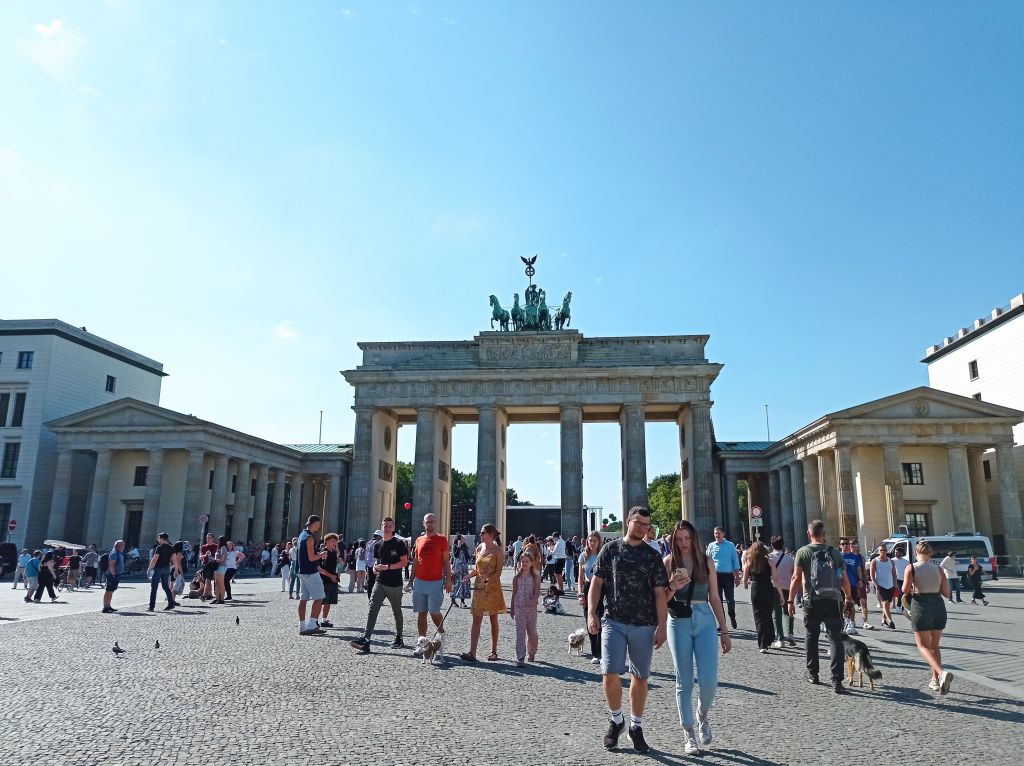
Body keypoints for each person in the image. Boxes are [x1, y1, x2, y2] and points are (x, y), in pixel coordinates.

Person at [588, 507, 669, 754]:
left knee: (640, 677)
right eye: (639, 523)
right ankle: (616, 719)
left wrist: (662, 626)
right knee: (609, 672)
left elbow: (659, 593)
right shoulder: (610, 549)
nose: (643, 528)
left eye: (647, 525)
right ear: (628, 522)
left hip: (644, 623)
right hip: (613, 620)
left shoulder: (652, 555)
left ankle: (635, 725)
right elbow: (597, 582)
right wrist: (592, 612)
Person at [664, 521, 732, 756]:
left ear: (693, 538)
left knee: (709, 680)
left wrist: (724, 629)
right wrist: (672, 586)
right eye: (679, 539)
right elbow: (661, 599)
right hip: (678, 620)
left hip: (704, 618)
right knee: (683, 681)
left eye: (687, 538)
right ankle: (688, 732)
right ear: (673, 541)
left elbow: (714, 596)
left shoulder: (707, 561)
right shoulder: (668, 562)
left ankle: (702, 713)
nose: (683, 543)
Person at [787, 520, 852, 694]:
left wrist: (790, 600)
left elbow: (795, 578)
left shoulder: (803, 552)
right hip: (833, 600)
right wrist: (849, 597)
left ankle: (813, 673)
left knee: (811, 636)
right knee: (835, 639)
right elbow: (844, 578)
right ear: (824, 534)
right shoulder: (835, 552)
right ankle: (837, 679)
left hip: (812, 601)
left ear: (809, 534)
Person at [351, 516, 409, 652]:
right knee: (372, 609)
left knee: (397, 611)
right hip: (380, 581)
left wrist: (387, 567)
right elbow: (376, 562)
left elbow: (404, 563)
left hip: (395, 584)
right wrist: (375, 568)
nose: (387, 528)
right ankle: (366, 640)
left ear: (393, 528)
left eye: (390, 526)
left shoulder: (399, 543)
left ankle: (399, 637)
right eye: (385, 526)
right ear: (381, 527)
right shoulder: (377, 544)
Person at [904, 540, 954, 693]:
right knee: (935, 646)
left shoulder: (911, 567)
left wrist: (914, 587)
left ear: (915, 553)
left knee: (923, 646)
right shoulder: (939, 569)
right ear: (930, 554)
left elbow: (905, 589)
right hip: (938, 606)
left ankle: (941, 673)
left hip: (921, 606)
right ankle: (935, 680)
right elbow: (947, 593)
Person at [407, 513, 452, 659]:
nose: (430, 523)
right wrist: (410, 580)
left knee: (434, 611)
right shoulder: (419, 540)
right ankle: (422, 644)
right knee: (421, 613)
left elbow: (446, 561)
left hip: (435, 581)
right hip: (419, 581)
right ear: (424, 523)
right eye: (428, 521)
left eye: (433, 521)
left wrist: (448, 580)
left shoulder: (442, 540)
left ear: (436, 523)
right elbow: (415, 561)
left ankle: (442, 633)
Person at [460, 524, 507, 662]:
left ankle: (494, 651)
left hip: (492, 589)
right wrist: (469, 576)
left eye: (483, 532)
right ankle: (472, 653)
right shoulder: (479, 548)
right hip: (479, 589)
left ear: (491, 535)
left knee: (493, 619)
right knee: (476, 619)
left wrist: (487, 581)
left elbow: (498, 573)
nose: (480, 534)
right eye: (480, 532)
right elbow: (477, 569)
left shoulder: (498, 551)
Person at [742, 538, 776, 653]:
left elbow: (745, 577)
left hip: (756, 588)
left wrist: (746, 584)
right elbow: (775, 578)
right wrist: (780, 593)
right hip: (768, 587)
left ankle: (762, 644)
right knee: (768, 614)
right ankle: (770, 638)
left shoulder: (750, 561)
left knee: (758, 616)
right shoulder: (770, 561)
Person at [296, 515, 328, 635]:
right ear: (314, 523)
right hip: (310, 571)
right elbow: (311, 557)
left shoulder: (301, 535)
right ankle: (312, 624)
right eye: (318, 524)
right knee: (319, 597)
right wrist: (322, 554)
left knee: (303, 599)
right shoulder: (309, 538)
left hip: (301, 571)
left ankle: (302, 626)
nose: (319, 526)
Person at [577, 531, 604, 664]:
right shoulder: (584, 556)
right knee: (589, 619)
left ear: (599, 541)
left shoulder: (602, 555)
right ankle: (595, 652)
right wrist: (580, 592)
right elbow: (580, 577)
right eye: (590, 540)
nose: (592, 543)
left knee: (601, 619)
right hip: (588, 587)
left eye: (594, 540)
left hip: (602, 588)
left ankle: (601, 652)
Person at [706, 527, 741, 630]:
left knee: (730, 599)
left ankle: (732, 615)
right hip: (715, 576)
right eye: (715, 533)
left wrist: (737, 576)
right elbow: (707, 559)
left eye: (718, 533)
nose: (717, 535)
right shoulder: (711, 546)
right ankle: (722, 623)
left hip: (728, 576)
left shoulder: (730, 546)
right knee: (718, 599)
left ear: (723, 534)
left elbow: (735, 561)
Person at [510, 550, 541, 666]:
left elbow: (537, 591)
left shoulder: (535, 577)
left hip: (531, 609)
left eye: (527, 561)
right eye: (522, 562)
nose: (524, 564)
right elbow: (514, 593)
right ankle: (520, 657)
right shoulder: (516, 578)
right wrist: (512, 608)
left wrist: (533, 601)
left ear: (531, 563)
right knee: (520, 633)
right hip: (519, 608)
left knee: (532, 632)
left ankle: (532, 652)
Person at [768, 536, 795, 648]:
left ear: (771, 545)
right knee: (788, 611)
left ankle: (780, 638)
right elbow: (793, 574)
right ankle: (790, 634)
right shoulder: (790, 558)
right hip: (788, 587)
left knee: (776, 612)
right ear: (783, 545)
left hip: (774, 587)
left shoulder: (769, 558)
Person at [839, 537, 870, 632]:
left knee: (851, 604)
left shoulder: (855, 556)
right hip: (841, 584)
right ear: (840, 546)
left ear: (849, 545)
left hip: (852, 583)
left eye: (847, 543)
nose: (845, 545)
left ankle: (851, 623)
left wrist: (860, 580)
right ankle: (845, 622)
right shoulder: (838, 556)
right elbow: (837, 570)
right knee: (844, 604)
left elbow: (858, 569)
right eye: (843, 544)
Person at [146, 533, 177, 612]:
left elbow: (155, 559)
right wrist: (176, 570)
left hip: (158, 568)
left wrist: (149, 568)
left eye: (159, 538)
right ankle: (171, 604)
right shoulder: (171, 548)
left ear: (163, 539)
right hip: (166, 568)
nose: (158, 540)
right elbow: (174, 560)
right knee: (166, 586)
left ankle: (151, 606)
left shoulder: (159, 547)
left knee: (154, 588)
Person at [869, 544, 898, 629]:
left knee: (887, 604)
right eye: (881, 550)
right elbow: (872, 574)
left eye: (885, 550)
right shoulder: (875, 561)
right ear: (878, 551)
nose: (883, 552)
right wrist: (875, 585)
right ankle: (891, 621)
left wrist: (895, 583)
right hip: (880, 586)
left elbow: (894, 573)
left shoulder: (891, 561)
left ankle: (883, 620)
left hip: (890, 585)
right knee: (885, 603)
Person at [317, 533, 340, 628]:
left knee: (329, 601)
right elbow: (319, 568)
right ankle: (315, 620)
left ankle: (324, 620)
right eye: (333, 541)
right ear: (326, 542)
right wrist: (330, 576)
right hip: (325, 579)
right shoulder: (324, 552)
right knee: (321, 601)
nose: (335, 543)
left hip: (332, 579)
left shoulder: (333, 552)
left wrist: (339, 562)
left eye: (336, 541)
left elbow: (335, 566)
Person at [102, 540, 126, 613]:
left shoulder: (119, 553)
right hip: (112, 575)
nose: (124, 546)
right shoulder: (114, 554)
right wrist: (113, 574)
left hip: (115, 575)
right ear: (119, 546)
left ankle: (108, 606)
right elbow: (111, 564)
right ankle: (105, 607)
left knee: (111, 591)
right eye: (123, 545)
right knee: (108, 591)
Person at [450, 535, 471, 608]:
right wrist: (458, 547)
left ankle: (462, 601)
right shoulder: (455, 546)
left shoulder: (464, 546)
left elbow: (468, 557)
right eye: (462, 539)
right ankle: (453, 601)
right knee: (456, 583)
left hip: (464, 568)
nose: (463, 540)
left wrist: (468, 555)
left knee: (464, 583)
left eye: (463, 539)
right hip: (457, 568)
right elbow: (455, 555)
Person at [199, 533, 219, 600]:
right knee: (207, 580)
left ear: (213, 539)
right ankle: (210, 594)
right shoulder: (204, 547)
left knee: (208, 579)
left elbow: (219, 556)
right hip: (205, 565)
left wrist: (214, 558)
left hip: (212, 565)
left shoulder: (216, 546)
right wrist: (205, 555)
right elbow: (201, 557)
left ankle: (205, 594)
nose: (208, 539)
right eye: (207, 538)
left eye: (210, 538)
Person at [892, 545, 910, 614]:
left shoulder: (906, 561)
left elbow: (908, 571)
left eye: (897, 552)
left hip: (904, 579)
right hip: (897, 579)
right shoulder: (892, 560)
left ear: (901, 553)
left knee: (904, 593)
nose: (895, 553)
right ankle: (898, 605)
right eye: (895, 552)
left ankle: (903, 607)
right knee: (900, 593)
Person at [364, 530, 382, 600]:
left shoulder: (369, 543)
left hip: (369, 564)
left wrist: (367, 563)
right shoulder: (378, 543)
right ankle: (375, 598)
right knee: (376, 583)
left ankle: (370, 598)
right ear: (379, 536)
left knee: (370, 582)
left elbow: (366, 554)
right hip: (376, 564)